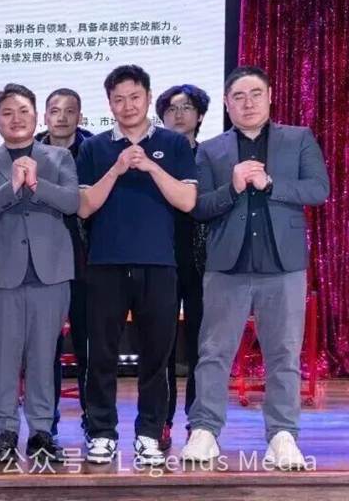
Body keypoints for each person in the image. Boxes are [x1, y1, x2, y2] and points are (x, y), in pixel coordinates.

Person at [182, 66, 330, 469]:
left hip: (283, 266)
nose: (247, 103)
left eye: (255, 94)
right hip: (226, 266)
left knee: (283, 353)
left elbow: (319, 189)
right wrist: (231, 188)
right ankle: (205, 430)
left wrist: (271, 184)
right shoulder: (210, 150)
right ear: (226, 103)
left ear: (270, 96)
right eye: (238, 97)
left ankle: (283, 435)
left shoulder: (298, 139)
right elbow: (199, 207)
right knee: (213, 352)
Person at [77, 65, 197, 467]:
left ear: (147, 97)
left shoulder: (173, 144)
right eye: (118, 99)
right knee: (101, 355)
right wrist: (117, 168)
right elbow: (84, 207)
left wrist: (150, 166)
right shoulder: (94, 148)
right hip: (105, 264)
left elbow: (187, 201)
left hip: (159, 264)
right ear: (108, 103)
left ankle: (149, 433)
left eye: (134, 97)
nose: (127, 106)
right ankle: (101, 433)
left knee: (156, 356)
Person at [0, 84, 79, 464]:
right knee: (3, 358)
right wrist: (12, 186)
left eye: (23, 111)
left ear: (37, 116)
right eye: (7, 113)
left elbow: (72, 202)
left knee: (43, 356)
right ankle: (6, 430)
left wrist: (36, 183)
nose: (16, 119)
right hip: (1, 276)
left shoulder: (59, 157)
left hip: (51, 273)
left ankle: (41, 431)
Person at [156, 84, 211, 451]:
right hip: (160, 258)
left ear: (200, 115)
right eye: (171, 108)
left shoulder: (211, 156)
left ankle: (198, 421)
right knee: (160, 345)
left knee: (200, 345)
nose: (178, 114)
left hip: (203, 262)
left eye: (187, 107)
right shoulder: (152, 156)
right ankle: (161, 421)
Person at [38, 88, 92, 438]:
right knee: (45, 348)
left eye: (69, 111)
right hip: (42, 262)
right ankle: (46, 422)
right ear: (45, 116)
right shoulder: (29, 152)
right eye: (55, 110)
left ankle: (93, 420)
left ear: (79, 116)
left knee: (89, 344)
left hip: (88, 262)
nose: (62, 117)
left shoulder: (95, 150)